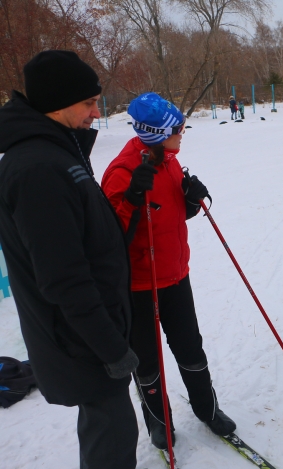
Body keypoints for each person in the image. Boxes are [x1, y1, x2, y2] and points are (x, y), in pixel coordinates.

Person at [0, 50, 139, 468]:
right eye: (89, 103)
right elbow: (63, 278)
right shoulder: (38, 167)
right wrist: (111, 347)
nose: (97, 112)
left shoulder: (58, 153)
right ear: (58, 105)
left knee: (111, 431)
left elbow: (89, 236)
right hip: (80, 340)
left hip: (89, 332)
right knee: (110, 440)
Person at [101, 92, 236, 451]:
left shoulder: (170, 161)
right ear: (157, 132)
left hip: (176, 276)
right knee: (147, 360)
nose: (182, 133)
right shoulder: (122, 172)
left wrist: (191, 201)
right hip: (139, 285)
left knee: (191, 349)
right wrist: (130, 198)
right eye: (177, 128)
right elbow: (109, 239)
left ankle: (207, 410)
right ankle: (159, 423)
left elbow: (170, 217)